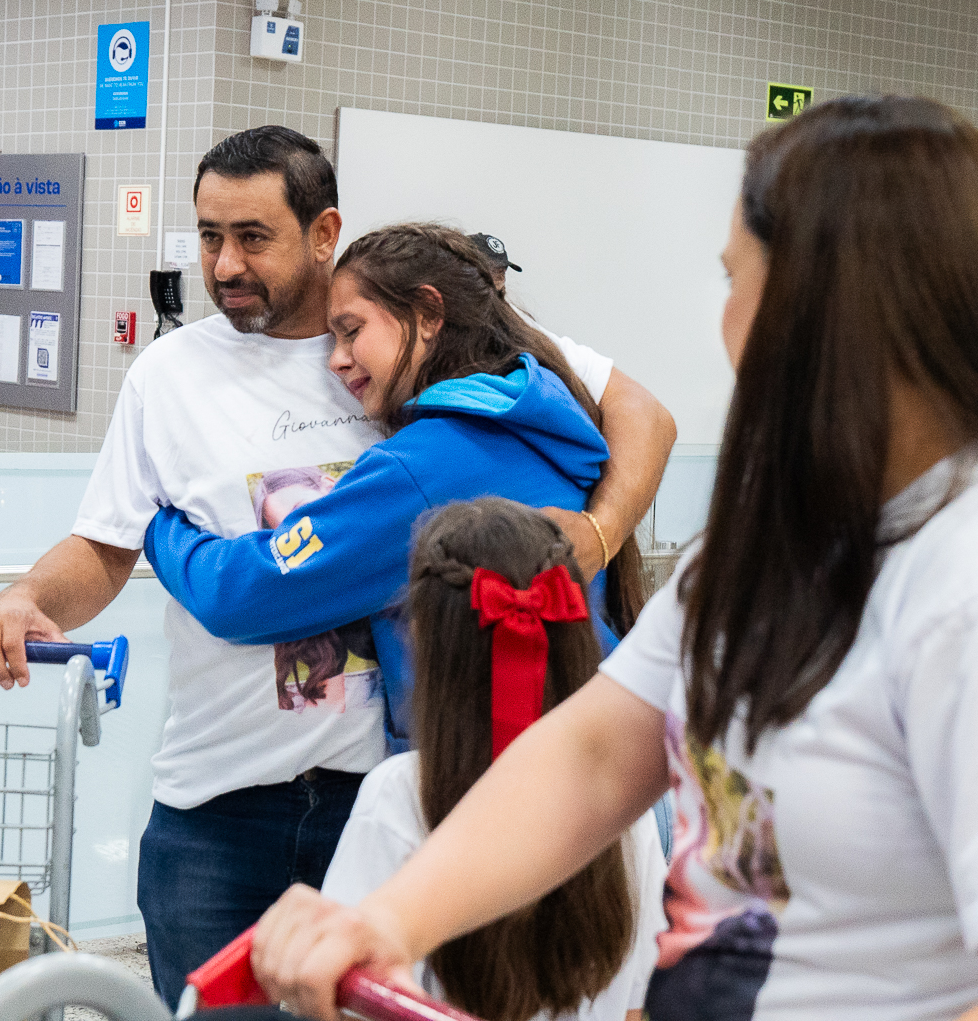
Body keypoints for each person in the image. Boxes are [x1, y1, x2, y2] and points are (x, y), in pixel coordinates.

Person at [247, 95, 978, 1021]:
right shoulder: (776, 547)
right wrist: (384, 918)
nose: (723, 324)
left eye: (730, 279)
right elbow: (592, 756)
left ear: (813, 303)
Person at [0, 126, 677, 1001]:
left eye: (253, 237)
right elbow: (105, 544)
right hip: (225, 805)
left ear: (324, 231)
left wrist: (594, 535)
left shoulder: (436, 358)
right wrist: (28, 597)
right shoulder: (172, 376)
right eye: (209, 236)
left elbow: (643, 413)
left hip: (412, 789)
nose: (223, 266)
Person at [142, 224, 649, 752]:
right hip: (589, 752)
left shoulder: (428, 466)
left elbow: (243, 594)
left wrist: (158, 526)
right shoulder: (541, 409)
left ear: (429, 315)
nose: (335, 359)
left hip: (490, 776)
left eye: (351, 331)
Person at [318, 497, 666, 1021]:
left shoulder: (399, 796)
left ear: (422, 638)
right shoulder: (620, 807)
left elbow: (344, 994)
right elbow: (638, 1005)